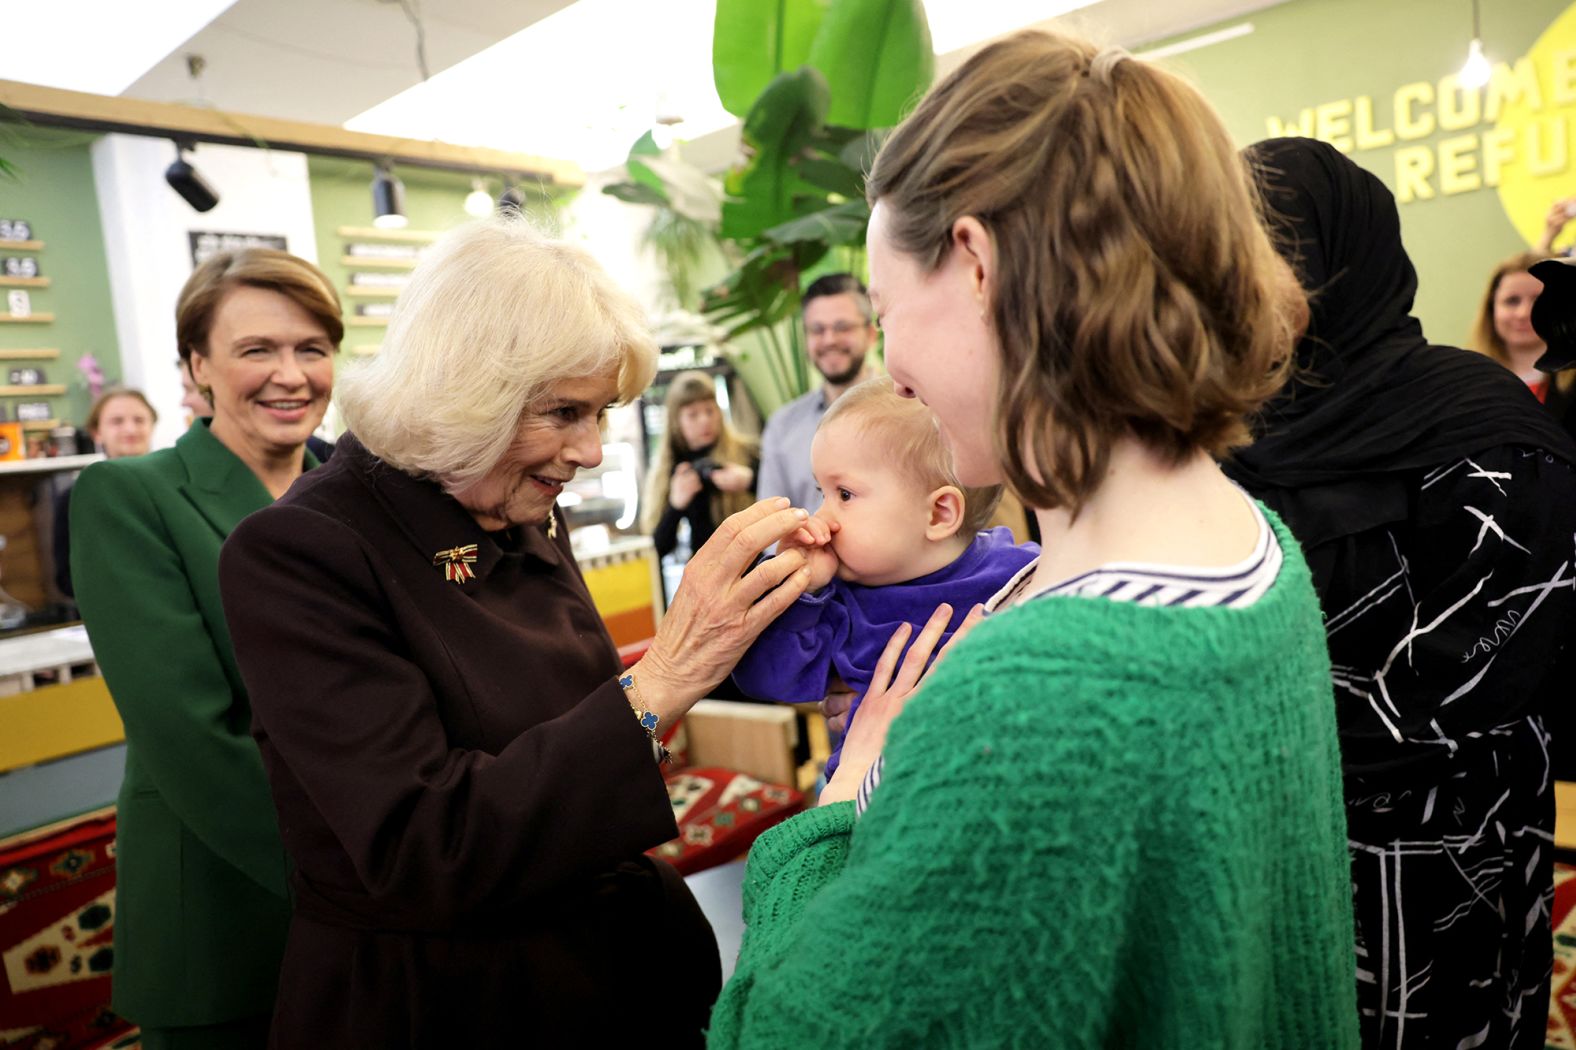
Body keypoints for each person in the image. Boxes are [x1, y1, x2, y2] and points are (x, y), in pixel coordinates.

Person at [709, 32, 1359, 1048]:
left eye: (886, 313)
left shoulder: (1035, 701)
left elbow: (783, 1031)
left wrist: (833, 806)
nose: (892, 366)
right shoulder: (1249, 541)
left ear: (976, 264)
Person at [215, 217, 817, 1048]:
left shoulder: (515, 505)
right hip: (445, 1005)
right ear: (462, 390)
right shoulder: (298, 552)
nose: (592, 450)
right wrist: (666, 677)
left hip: (605, 974)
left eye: (602, 412)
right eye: (564, 412)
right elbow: (426, 847)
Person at [1230, 137, 1576, 1050]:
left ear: (1335, 255)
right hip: (1261, 862)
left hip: (1445, 874)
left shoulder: (1486, 426)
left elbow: (1469, 683)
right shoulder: (1217, 428)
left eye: (1268, 247)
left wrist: (1223, 722)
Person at [69, 249, 339, 1049]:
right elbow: (193, 736)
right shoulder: (130, 497)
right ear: (198, 367)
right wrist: (370, 881)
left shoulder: (361, 490)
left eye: (311, 348)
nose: (289, 375)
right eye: (257, 350)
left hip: (389, 912)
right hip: (233, 913)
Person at [732, 376, 1035, 779]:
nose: (821, 516)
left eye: (844, 495)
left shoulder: (1023, 578)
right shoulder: (840, 603)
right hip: (872, 807)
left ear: (939, 514)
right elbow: (764, 678)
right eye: (822, 492)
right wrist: (803, 592)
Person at [755, 273, 878, 512]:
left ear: (871, 334)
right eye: (817, 330)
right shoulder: (782, 427)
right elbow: (770, 525)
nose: (829, 339)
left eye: (842, 327)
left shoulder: (909, 410)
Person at [52, 387, 157, 598]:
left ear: (152, 426)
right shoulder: (75, 499)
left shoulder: (178, 487)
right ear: (96, 432)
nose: (130, 429)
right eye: (117, 421)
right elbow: (67, 578)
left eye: (139, 420)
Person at [644, 370, 758, 561]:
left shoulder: (748, 452)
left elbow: (787, 501)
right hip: (707, 576)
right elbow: (658, 548)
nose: (704, 420)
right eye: (693, 415)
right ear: (676, 422)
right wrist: (675, 506)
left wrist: (751, 481)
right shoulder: (672, 469)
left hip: (755, 566)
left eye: (709, 410)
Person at [1470, 249, 1576, 435]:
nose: (1524, 313)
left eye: (1538, 300)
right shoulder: (1467, 384)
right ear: (1491, 309)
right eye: (1512, 301)